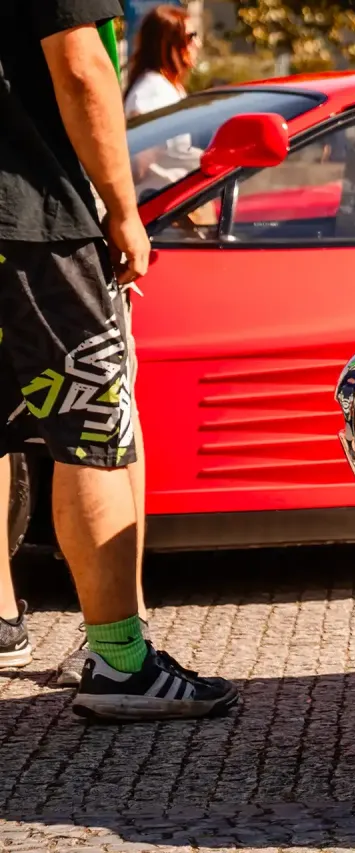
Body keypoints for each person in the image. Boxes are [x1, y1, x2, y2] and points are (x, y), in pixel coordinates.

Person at [0, 0, 238, 720]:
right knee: (94, 426)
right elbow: (81, 65)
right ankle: (120, 664)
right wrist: (123, 209)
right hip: (36, 218)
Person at [122, 4, 199, 119]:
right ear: (167, 45)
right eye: (190, 37)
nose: (197, 44)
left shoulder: (165, 86)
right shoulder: (152, 91)